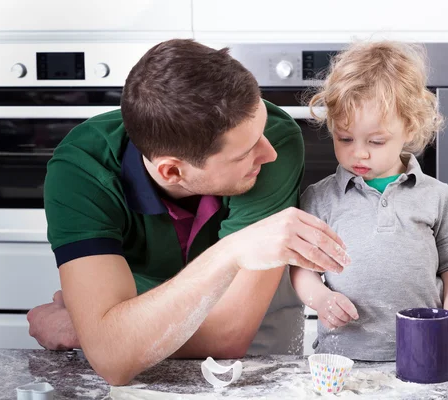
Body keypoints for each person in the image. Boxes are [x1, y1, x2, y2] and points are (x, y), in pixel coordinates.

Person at [26, 38, 350, 385]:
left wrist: (94, 334)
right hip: (141, 377)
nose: (268, 153)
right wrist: (234, 251)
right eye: (243, 154)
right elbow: (113, 362)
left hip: (256, 355)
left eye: (262, 126)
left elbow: (229, 335)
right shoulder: (81, 170)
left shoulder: (275, 139)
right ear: (172, 171)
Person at [290, 41, 448, 361]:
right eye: (345, 138)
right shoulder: (319, 199)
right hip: (341, 357)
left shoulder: (436, 196)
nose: (359, 152)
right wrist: (320, 299)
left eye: (376, 141)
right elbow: (302, 269)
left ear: (409, 128)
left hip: (424, 352)